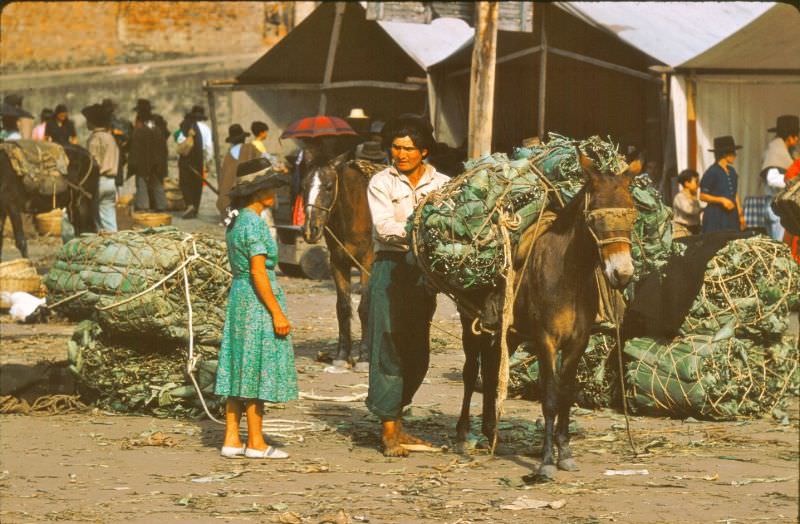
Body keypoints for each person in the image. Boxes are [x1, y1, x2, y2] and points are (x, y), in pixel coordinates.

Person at [365, 117, 449, 457]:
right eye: (396, 148)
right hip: (391, 267)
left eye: (408, 149)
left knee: (417, 349)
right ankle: (388, 429)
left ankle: (398, 421)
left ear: (423, 151)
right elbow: (385, 228)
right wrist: (424, 230)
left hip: (424, 273)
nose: (400, 154)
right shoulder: (381, 182)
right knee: (387, 343)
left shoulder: (443, 183)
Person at [215, 157, 297, 459]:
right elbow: (259, 273)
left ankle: (232, 438)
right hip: (256, 300)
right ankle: (257, 442)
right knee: (256, 366)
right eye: (270, 188)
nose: (274, 193)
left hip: (239, 298)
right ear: (258, 192)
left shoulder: (236, 222)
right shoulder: (254, 224)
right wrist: (276, 311)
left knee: (239, 364)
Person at [760, 115, 799, 241]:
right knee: (780, 243)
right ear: (789, 137)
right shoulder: (775, 151)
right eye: (795, 135)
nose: (797, 139)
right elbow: (772, 179)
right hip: (777, 207)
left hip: (780, 206)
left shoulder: (785, 150)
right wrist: (795, 182)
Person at [83, 103, 120, 232]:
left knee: (97, 220)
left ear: (92, 122)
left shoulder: (94, 139)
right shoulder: (110, 138)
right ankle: (116, 243)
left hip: (99, 182)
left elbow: (92, 164)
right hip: (111, 182)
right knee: (109, 218)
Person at [128, 99, 168, 211]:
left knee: (142, 183)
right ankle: (161, 206)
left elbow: (135, 147)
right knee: (157, 182)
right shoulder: (157, 124)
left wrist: (132, 164)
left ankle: (143, 207)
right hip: (158, 160)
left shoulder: (140, 127)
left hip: (143, 161)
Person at [700, 136, 745, 233]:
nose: (735, 155)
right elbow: (702, 196)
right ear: (725, 154)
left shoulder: (732, 171)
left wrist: (740, 214)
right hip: (716, 215)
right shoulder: (712, 172)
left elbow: (734, 193)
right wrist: (721, 200)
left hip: (732, 215)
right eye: (732, 152)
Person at [176, 107, 206, 219]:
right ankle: (195, 207)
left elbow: (180, 143)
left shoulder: (186, 125)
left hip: (187, 161)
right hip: (198, 161)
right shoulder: (201, 128)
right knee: (197, 184)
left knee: (185, 183)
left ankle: (190, 205)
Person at [216, 123, 250, 218]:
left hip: (230, 189)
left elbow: (224, 176)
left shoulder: (229, 154)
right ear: (243, 138)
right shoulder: (249, 149)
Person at [672, 169, 702, 239]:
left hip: (694, 229)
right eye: (696, 182)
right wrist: (703, 209)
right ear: (687, 183)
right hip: (683, 230)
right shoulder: (680, 197)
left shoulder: (693, 197)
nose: (698, 184)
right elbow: (689, 210)